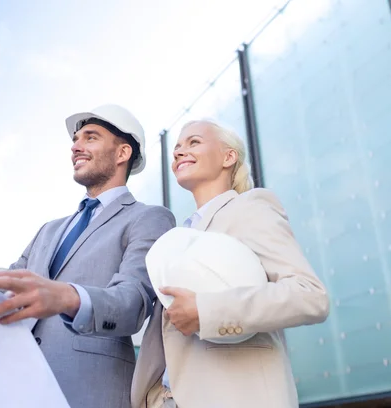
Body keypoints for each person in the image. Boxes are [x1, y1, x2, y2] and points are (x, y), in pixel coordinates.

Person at [0, 104, 176, 408]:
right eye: (75, 140)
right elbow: (3, 291)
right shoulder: (48, 230)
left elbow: (132, 302)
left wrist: (68, 298)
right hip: (18, 388)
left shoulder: (148, 219)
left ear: (122, 153)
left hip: (91, 392)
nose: (76, 147)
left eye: (90, 138)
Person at [131, 119, 330, 408]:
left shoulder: (251, 207)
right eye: (176, 148)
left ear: (229, 157)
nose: (178, 152)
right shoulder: (179, 235)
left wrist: (207, 311)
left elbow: (309, 295)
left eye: (193, 142)